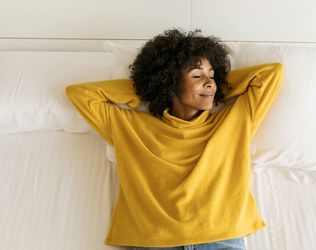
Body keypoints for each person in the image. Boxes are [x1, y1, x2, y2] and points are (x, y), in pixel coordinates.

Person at [65, 28, 284, 250]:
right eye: (197, 75)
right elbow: (81, 94)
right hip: (155, 243)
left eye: (212, 75)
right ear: (170, 82)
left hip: (221, 240)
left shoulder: (234, 120)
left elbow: (271, 74)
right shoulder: (130, 127)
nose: (209, 82)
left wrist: (215, 90)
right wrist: (149, 89)